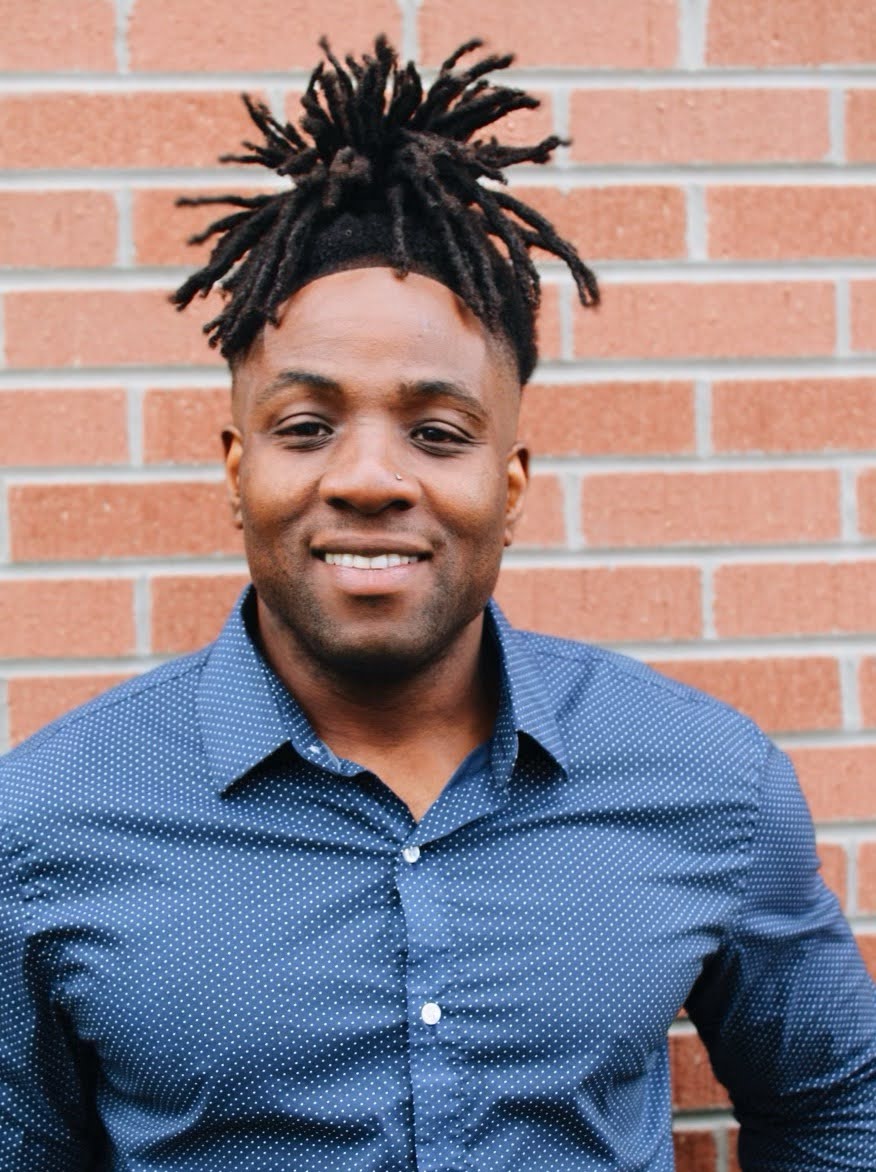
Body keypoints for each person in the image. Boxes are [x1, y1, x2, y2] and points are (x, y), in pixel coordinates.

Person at [0, 36, 873, 1171]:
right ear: (236, 471)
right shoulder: (48, 822)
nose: (370, 478)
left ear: (510, 487)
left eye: (439, 432)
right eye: (306, 426)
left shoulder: (708, 778)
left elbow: (837, 1104)